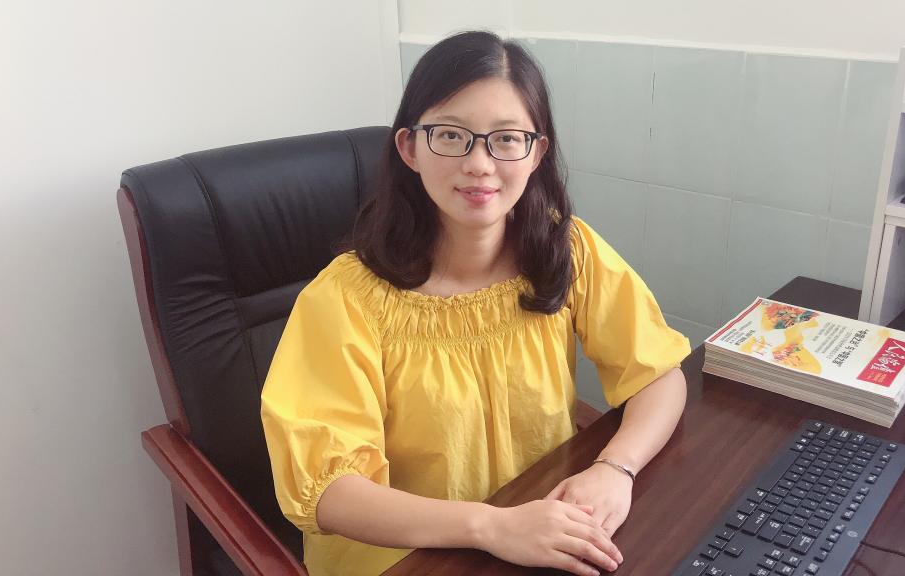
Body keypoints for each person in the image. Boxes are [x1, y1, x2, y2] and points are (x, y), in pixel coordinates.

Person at [261, 30, 692, 576]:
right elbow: (329, 492)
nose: (480, 164)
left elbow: (659, 375)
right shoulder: (345, 300)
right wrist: (490, 527)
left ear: (537, 153)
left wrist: (615, 468)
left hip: (538, 526)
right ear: (409, 148)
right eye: (451, 135)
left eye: (507, 138)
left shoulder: (565, 250)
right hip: (405, 555)